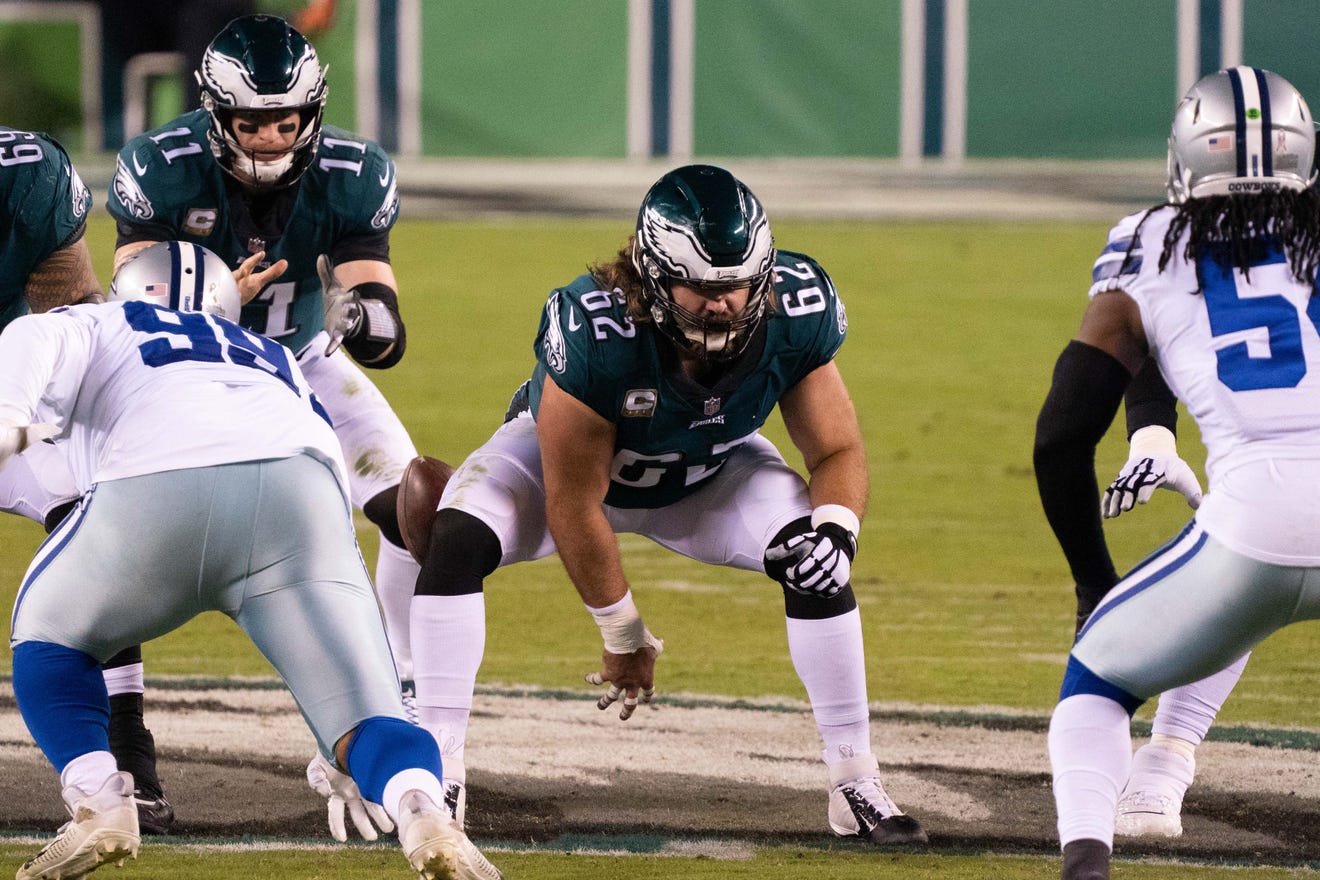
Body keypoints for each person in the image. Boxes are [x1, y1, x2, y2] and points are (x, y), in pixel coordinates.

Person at [403, 163, 928, 846]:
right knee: (456, 539)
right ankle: (439, 770)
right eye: (700, 288)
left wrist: (837, 529)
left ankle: (856, 781)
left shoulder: (795, 312)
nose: (721, 305)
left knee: (815, 559)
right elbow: (572, 501)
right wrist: (623, 635)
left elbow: (836, 450)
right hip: (573, 473)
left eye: (736, 286)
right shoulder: (595, 323)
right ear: (651, 276)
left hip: (708, 473)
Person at [2, 240, 501, 880]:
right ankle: (419, 804)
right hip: (304, 499)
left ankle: (100, 798)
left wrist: (10, 422)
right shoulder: (273, 355)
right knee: (366, 718)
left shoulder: (92, 321)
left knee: (47, 635)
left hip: (163, 485)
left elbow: (25, 352)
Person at [104, 12, 437, 818]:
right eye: (250, 121)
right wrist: (215, 305)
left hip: (305, 360)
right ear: (216, 114)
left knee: (424, 510)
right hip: (183, 372)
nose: (268, 138)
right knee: (102, 535)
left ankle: (390, 700)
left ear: (311, 111)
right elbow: (130, 311)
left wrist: (359, 316)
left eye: (285, 120)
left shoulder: (352, 171)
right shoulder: (162, 167)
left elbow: (384, 329)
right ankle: (125, 749)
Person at [1034, 66, 1320, 879]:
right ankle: (1164, 771)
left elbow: (1060, 438)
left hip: (1254, 525)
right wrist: (1155, 429)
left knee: (1097, 679)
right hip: (1264, 514)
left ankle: (1087, 863)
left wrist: (1093, 584)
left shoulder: (1150, 242)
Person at [0, 125, 178, 832]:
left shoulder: (24, 174)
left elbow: (76, 315)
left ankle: (125, 744)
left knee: (93, 503)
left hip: (11, 395)